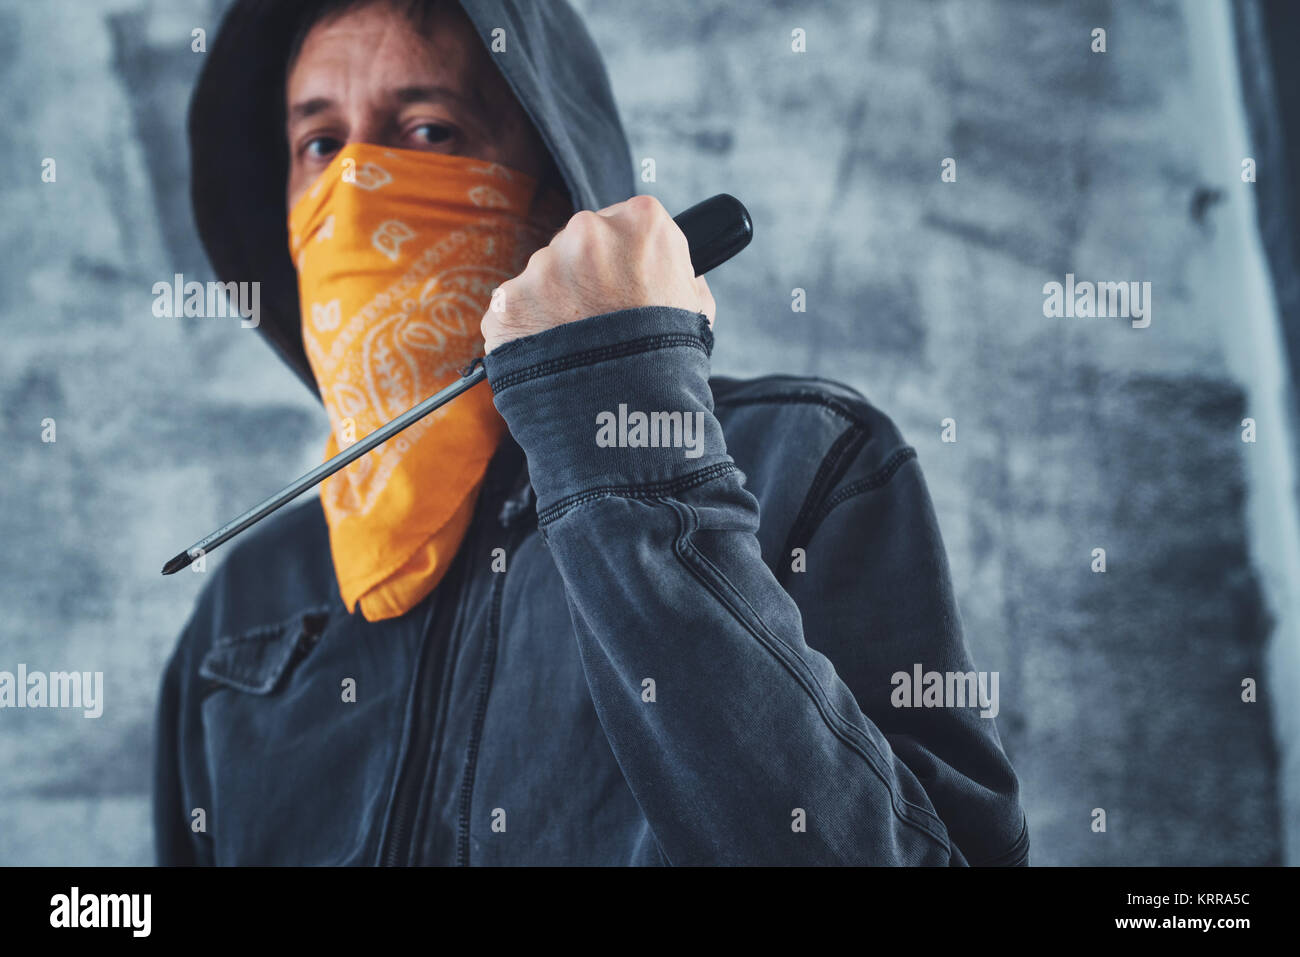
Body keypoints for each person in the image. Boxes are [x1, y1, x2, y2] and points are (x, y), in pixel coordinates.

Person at [154, 0, 1029, 866]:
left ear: (556, 190)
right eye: (319, 144)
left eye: (427, 131)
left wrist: (627, 448)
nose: (353, 189)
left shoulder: (807, 463)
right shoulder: (250, 599)